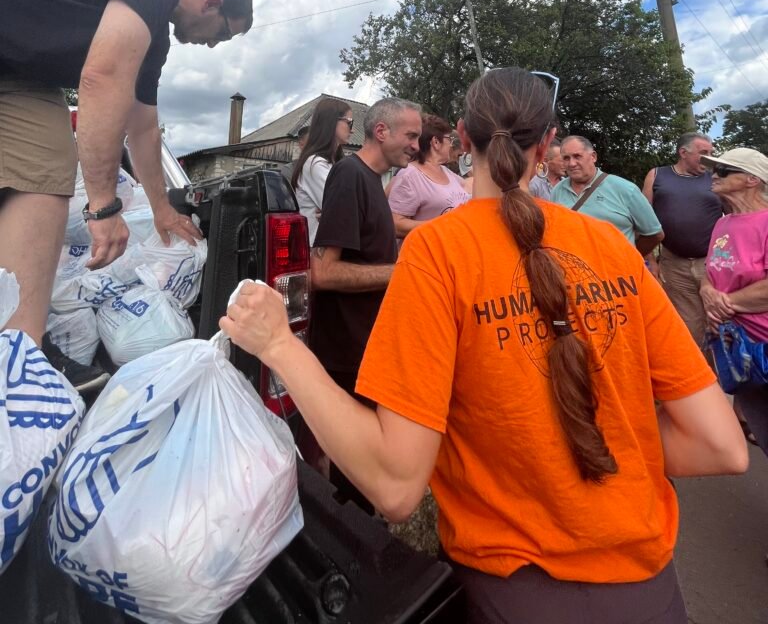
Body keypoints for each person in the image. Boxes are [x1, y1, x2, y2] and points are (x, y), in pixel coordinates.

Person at [221, 68, 746, 624]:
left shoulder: (436, 252)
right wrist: (596, 441)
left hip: (513, 593)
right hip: (653, 592)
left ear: (463, 136)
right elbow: (722, 447)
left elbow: (395, 484)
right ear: (546, 145)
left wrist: (279, 345)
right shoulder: (608, 245)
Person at [0, 0, 252, 390]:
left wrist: (161, 209)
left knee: (45, 157)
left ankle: (19, 355)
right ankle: (20, 363)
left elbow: (143, 127)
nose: (214, 45)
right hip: (15, 69)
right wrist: (102, 205)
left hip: (20, 74)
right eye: (223, 34)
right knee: (46, 161)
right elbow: (103, 76)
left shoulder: (154, 39)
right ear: (212, 3)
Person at [308, 97, 421, 510]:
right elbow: (322, 272)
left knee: (366, 468)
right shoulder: (349, 175)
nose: (417, 146)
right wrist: (403, 273)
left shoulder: (373, 180)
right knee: (354, 477)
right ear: (381, 131)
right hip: (346, 353)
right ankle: (348, 538)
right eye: (411, 136)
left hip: (367, 347)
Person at [699, 147, 768, 453]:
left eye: (724, 170)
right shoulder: (723, 223)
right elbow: (711, 270)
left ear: (752, 179)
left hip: (763, 342)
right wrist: (706, 291)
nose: (714, 175)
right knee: (762, 427)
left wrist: (724, 303)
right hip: (734, 347)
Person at [641, 133, 722, 348]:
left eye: (711, 153)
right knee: (688, 325)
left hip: (713, 263)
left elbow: (735, 216)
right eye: (703, 153)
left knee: (718, 320)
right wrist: (651, 261)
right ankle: (697, 368)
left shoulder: (716, 178)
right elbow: (642, 220)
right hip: (674, 265)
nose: (709, 158)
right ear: (683, 153)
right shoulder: (657, 175)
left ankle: (723, 368)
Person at [553, 136, 664, 255]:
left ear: (593, 156)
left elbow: (655, 234)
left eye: (577, 156)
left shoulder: (626, 189)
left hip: (616, 266)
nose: (572, 163)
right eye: (566, 158)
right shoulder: (558, 190)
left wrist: (629, 257)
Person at [387, 114, 470, 237]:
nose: (451, 145)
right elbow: (395, 225)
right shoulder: (410, 175)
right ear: (436, 142)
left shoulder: (446, 172)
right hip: (424, 248)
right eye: (449, 139)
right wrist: (441, 225)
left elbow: (469, 186)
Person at [291, 99, 353, 243]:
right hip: (315, 249)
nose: (352, 130)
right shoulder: (315, 164)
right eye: (349, 122)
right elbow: (345, 210)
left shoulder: (334, 163)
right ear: (332, 122)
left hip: (330, 245)